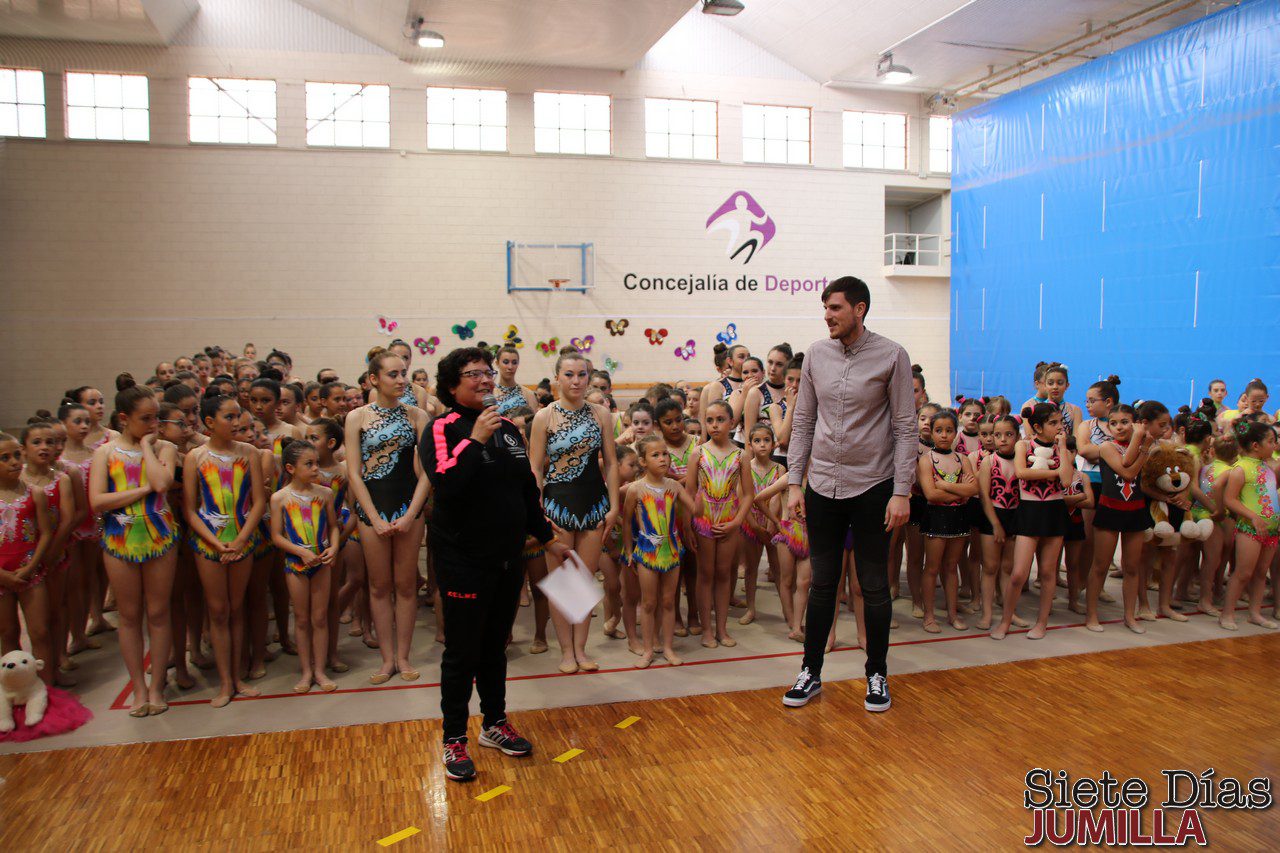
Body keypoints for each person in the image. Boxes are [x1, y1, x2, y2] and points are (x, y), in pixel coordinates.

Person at [420, 346, 569, 784]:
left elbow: (525, 493)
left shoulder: (507, 429)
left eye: (487, 372)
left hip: (508, 558)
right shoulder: (441, 429)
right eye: (473, 374)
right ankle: (453, 739)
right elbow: (447, 485)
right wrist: (475, 439)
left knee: (494, 648)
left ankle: (494, 724)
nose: (485, 379)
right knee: (462, 652)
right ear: (452, 385)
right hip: (463, 560)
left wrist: (548, 540)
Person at [783, 276, 915, 711]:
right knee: (822, 583)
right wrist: (794, 483)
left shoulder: (892, 355)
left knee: (873, 586)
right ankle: (810, 672)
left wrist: (901, 492)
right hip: (822, 485)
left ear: (859, 309)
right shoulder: (816, 355)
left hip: (873, 486)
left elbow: (906, 427)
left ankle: (876, 674)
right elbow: (803, 422)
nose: (827, 316)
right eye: (825, 308)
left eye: (835, 308)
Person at [89, 383, 181, 716]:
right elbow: (98, 501)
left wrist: (145, 446)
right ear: (124, 418)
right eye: (145, 419)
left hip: (159, 536)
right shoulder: (105, 452)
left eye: (156, 417)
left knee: (158, 612)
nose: (154, 424)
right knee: (129, 617)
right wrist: (142, 490)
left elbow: (162, 484)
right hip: (120, 539)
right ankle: (138, 688)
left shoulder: (165, 448)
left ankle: (156, 686)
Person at [529, 350, 620, 674]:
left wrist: (614, 505)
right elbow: (535, 468)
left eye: (582, 374)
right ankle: (566, 651)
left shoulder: (601, 414)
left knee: (583, 580)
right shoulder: (544, 417)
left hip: (593, 505)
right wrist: (538, 509)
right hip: (557, 506)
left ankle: (581, 649)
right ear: (558, 377)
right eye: (569, 374)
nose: (576, 381)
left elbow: (611, 463)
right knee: (562, 582)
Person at [344, 352, 431, 684]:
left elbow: (428, 473)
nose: (401, 380)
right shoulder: (356, 417)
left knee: (406, 586)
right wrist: (373, 517)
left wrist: (411, 514)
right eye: (393, 374)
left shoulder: (418, 416)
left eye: (403, 373)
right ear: (373, 379)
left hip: (409, 508)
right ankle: (386, 660)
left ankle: (404, 657)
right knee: (379, 587)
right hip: (372, 509)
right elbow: (354, 473)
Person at [183, 394, 266, 707]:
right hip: (209, 542)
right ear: (209, 422)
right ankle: (225, 682)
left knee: (236, 607)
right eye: (228, 417)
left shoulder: (249, 453)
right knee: (217, 611)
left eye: (237, 416)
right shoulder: (196, 457)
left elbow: (258, 501)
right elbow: (190, 509)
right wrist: (215, 542)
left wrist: (242, 538)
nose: (236, 422)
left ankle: (238, 677)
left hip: (242, 536)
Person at [270, 439, 341, 694]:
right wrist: (300, 552)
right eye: (308, 464)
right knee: (301, 619)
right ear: (290, 468)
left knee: (319, 618)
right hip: (296, 563)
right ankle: (306, 671)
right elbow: (276, 536)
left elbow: (333, 526)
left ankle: (320, 670)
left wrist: (334, 548)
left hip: (320, 561)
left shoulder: (325, 494)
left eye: (316, 463)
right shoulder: (279, 498)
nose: (315, 469)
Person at [622, 434, 694, 668]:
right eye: (656, 455)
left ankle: (668, 647)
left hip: (671, 550)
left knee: (669, 601)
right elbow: (626, 522)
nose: (663, 458)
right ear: (643, 461)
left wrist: (701, 496)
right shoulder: (635, 489)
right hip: (647, 551)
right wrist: (629, 551)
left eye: (665, 454)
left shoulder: (674, 486)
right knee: (649, 603)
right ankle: (648, 649)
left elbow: (694, 509)